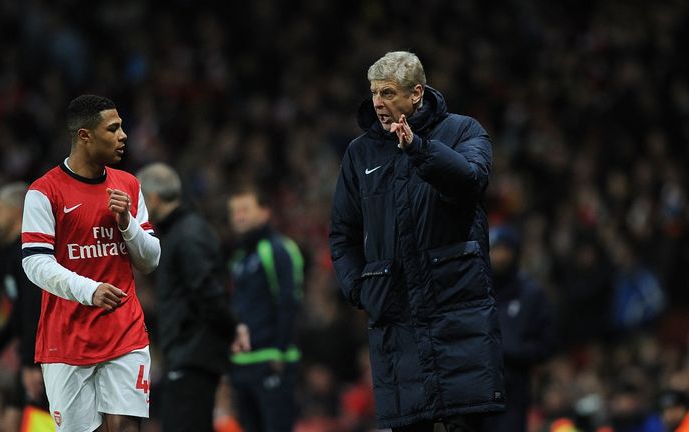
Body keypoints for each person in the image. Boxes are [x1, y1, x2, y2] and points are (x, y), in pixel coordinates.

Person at [329, 51, 504, 431]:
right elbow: (342, 233)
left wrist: (419, 150)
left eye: (388, 92)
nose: (378, 101)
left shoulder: (464, 132)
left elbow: (470, 182)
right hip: (397, 320)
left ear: (416, 94)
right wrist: (360, 288)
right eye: (374, 92)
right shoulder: (360, 154)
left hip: (458, 313)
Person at [21, 94, 161, 432]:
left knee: (127, 427)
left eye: (122, 127)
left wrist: (127, 222)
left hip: (123, 331)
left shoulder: (127, 185)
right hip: (67, 337)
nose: (123, 136)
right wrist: (90, 290)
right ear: (85, 136)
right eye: (113, 129)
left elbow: (150, 260)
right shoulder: (44, 192)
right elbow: (35, 263)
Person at [136, 162, 249, 432]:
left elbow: (209, 292)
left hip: (193, 354)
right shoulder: (183, 232)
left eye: (139, 200)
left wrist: (232, 327)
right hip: (189, 353)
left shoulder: (188, 234)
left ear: (152, 199)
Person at [227, 186, 304, 432]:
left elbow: (289, 302)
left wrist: (279, 352)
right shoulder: (238, 257)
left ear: (265, 212)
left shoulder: (279, 249)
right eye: (234, 211)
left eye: (245, 209)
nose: (238, 216)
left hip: (271, 359)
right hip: (242, 363)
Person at [0, 182, 48, 431]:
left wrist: (31, 364)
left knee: (29, 424)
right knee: (11, 423)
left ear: (16, 212)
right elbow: (19, 312)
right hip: (33, 356)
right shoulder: (14, 254)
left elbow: (34, 311)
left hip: (41, 360)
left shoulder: (27, 254)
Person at [484, 225, 556, 432]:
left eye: (505, 249)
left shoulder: (531, 294)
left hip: (514, 390)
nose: (499, 256)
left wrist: (510, 351)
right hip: (479, 390)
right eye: (494, 249)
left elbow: (547, 343)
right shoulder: (478, 291)